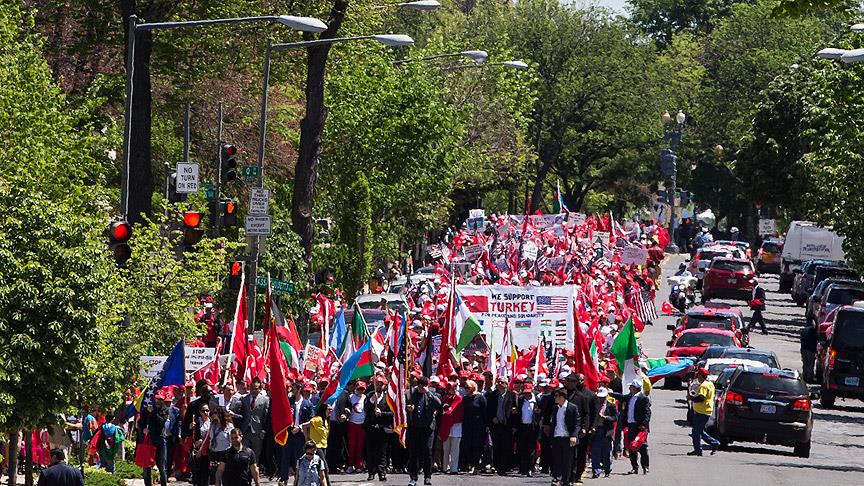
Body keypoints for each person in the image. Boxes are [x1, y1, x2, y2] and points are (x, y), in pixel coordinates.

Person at [406, 376, 442, 486]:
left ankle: (428, 477)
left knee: (427, 452)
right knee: (414, 453)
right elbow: (404, 407)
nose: (423, 388)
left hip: (428, 427)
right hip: (414, 427)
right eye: (421, 387)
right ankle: (413, 478)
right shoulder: (411, 393)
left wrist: (428, 393)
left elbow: (439, 404)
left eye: (425, 386)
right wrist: (409, 409)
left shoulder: (432, 393)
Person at [612, 379, 650, 475]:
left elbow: (647, 413)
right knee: (631, 447)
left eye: (631, 387)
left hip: (639, 426)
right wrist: (611, 393)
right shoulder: (630, 397)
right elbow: (621, 397)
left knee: (642, 447)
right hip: (630, 425)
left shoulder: (643, 398)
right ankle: (634, 467)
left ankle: (645, 467)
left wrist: (644, 424)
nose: (629, 388)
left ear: (635, 388)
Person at [567, 374, 596, 485]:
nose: (578, 382)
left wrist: (589, 427)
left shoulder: (589, 395)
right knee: (570, 454)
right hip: (568, 429)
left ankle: (578, 474)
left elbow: (591, 413)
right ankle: (569, 475)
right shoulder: (565, 394)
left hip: (583, 431)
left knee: (580, 454)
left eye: (580, 380)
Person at [485, 376, 516, 476]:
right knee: (497, 446)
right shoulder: (492, 395)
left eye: (501, 382)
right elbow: (488, 409)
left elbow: (515, 410)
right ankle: (497, 466)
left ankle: (504, 467)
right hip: (496, 424)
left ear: (506, 384)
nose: (499, 384)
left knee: (505, 446)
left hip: (507, 425)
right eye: (498, 382)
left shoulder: (512, 395)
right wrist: (492, 418)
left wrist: (514, 424)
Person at [364, 377, 394, 481]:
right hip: (370, 428)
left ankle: (382, 472)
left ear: (385, 386)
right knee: (370, 451)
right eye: (377, 384)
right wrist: (372, 400)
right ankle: (371, 472)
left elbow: (392, 413)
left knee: (382, 452)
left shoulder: (388, 398)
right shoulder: (369, 395)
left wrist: (381, 414)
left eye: (381, 384)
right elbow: (365, 408)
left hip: (382, 429)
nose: (379, 386)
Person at [549, 389, 579, 486]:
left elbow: (577, 423)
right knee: (557, 459)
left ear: (562, 397)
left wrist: (574, 435)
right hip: (557, 436)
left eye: (556, 396)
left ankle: (565, 480)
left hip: (567, 437)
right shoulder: (555, 408)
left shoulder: (572, 408)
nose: (555, 398)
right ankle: (557, 478)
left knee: (567, 460)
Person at [687, 368, 719, 456]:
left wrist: (691, 398)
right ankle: (713, 443)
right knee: (699, 430)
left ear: (701, 376)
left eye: (698, 375)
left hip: (702, 411)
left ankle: (699, 449)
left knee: (696, 432)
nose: (697, 377)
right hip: (705, 410)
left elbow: (701, 398)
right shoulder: (710, 384)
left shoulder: (704, 386)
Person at [241, 378, 271, 469]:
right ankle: (245, 472)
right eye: (252, 388)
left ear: (260, 389)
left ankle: (254, 471)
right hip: (246, 430)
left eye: (256, 388)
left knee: (256, 453)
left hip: (258, 432)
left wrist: (263, 430)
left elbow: (266, 417)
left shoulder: (265, 400)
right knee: (244, 453)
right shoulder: (244, 399)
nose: (254, 390)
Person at [459, 379, 487, 474]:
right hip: (467, 425)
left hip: (478, 425)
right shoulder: (465, 399)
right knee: (467, 445)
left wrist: (486, 425)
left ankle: (475, 465)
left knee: (477, 445)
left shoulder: (480, 398)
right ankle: (470, 464)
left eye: (468, 387)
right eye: (465, 387)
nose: (466, 389)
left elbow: (485, 411)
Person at [590, 387, 617, 478]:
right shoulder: (594, 405)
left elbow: (615, 418)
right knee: (595, 451)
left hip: (607, 431)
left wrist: (605, 417)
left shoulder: (611, 406)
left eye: (603, 397)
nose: (601, 399)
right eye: (599, 397)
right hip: (596, 431)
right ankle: (596, 471)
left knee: (606, 452)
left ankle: (607, 468)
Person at [438, 380, 463, 475]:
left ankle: (454, 469)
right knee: (446, 449)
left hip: (456, 426)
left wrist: (448, 414)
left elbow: (450, 411)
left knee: (455, 449)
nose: (452, 390)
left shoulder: (459, 398)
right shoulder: (444, 398)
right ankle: (445, 467)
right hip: (445, 426)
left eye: (453, 388)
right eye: (450, 388)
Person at [515, 383, 539, 477]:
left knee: (532, 448)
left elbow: (540, 413)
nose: (527, 396)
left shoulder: (537, 400)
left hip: (532, 427)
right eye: (525, 393)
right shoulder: (521, 400)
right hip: (522, 427)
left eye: (528, 393)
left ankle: (530, 467)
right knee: (522, 448)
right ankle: (523, 467)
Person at [346, 381, 367, 473]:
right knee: (352, 445)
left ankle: (359, 465)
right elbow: (346, 407)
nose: (360, 391)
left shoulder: (365, 398)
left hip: (362, 424)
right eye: (359, 389)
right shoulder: (350, 397)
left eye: (362, 389)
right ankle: (350, 465)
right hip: (352, 424)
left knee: (360, 446)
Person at [191, 403, 212, 486]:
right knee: (197, 471)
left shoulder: (212, 422)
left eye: (207, 410)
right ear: (200, 412)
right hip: (197, 448)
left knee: (206, 472)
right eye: (203, 411)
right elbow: (190, 435)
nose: (205, 412)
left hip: (207, 449)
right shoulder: (196, 422)